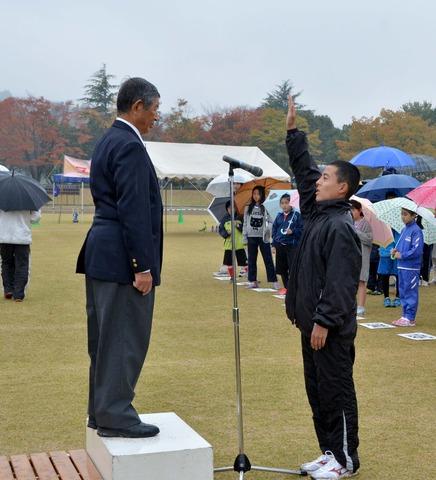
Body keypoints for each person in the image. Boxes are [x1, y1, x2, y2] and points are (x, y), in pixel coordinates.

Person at [76, 77, 163, 438]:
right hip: (120, 259)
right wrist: (141, 266)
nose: (157, 117)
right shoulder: (128, 144)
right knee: (124, 338)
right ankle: (115, 415)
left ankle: (102, 411)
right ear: (138, 106)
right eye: (155, 109)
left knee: (105, 339)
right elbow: (133, 210)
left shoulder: (110, 139)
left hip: (103, 253)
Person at [285, 95, 361, 479]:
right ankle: (328, 452)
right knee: (317, 394)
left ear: (343, 188)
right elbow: (303, 173)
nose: (319, 181)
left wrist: (324, 321)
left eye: (327, 178)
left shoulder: (341, 228)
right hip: (309, 324)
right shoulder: (318, 214)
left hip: (327, 328)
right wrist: (293, 133)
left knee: (337, 393)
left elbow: (340, 285)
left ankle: (345, 460)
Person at [390, 209, 424, 326]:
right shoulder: (404, 229)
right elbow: (401, 247)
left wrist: (402, 255)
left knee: (410, 291)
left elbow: (417, 250)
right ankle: (404, 316)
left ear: (414, 215)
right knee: (403, 291)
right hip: (401, 266)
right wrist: (395, 251)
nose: (402, 217)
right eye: (401, 214)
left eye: (405, 214)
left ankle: (410, 318)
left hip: (411, 268)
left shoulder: (417, 231)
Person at [242, 186, 279, 289]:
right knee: (251, 260)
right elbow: (245, 223)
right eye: (254, 194)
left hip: (264, 237)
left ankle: (274, 280)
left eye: (258, 194)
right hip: (251, 237)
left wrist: (268, 228)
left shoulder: (266, 207)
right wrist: (244, 237)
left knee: (268, 259)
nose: (256, 196)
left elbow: (272, 221)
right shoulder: (248, 207)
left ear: (262, 195)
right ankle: (253, 281)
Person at [0, 209, 41, 302]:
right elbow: (36, 218)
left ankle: (8, 289)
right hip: (22, 237)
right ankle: (18, 293)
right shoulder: (28, 197)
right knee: (22, 265)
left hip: (4, 236)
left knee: (6, 263)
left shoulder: (2, 196)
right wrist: (25, 218)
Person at [271, 193, 303, 295]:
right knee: (282, 268)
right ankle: (286, 287)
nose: (285, 205)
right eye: (282, 203)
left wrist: (292, 231)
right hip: (280, 246)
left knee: (292, 268)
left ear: (291, 203)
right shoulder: (279, 216)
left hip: (292, 246)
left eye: (287, 202)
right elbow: (274, 229)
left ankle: (294, 288)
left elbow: (302, 230)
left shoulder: (297, 216)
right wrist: (274, 244)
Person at [350, 200, 373, 317]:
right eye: (349, 210)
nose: (351, 212)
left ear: (359, 210)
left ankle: (361, 307)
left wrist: (356, 232)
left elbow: (369, 239)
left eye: (353, 209)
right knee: (351, 282)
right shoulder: (348, 222)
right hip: (350, 256)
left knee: (361, 281)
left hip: (362, 256)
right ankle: (351, 305)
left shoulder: (365, 223)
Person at [219, 200, 247, 278]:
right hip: (229, 245)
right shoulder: (224, 219)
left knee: (243, 261)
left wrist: (238, 226)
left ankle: (247, 274)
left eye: (233, 208)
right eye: (229, 208)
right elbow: (221, 230)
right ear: (227, 209)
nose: (231, 210)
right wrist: (226, 233)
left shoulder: (240, 217)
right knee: (229, 262)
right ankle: (232, 277)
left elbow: (245, 229)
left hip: (239, 244)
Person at [377, 231, 401, 308]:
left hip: (398, 249)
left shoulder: (402, 225)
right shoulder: (384, 222)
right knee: (384, 274)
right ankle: (386, 297)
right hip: (385, 248)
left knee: (399, 274)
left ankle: (398, 297)